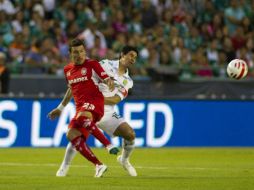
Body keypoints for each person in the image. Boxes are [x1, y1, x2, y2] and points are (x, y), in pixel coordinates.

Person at [48, 46, 138, 177]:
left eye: (135, 58)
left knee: (130, 134)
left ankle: (124, 160)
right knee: (76, 135)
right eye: (131, 56)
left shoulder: (128, 81)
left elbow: (115, 100)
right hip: (88, 105)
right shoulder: (105, 64)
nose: (133, 60)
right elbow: (77, 83)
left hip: (106, 110)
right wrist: (62, 106)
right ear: (122, 54)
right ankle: (64, 166)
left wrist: (97, 100)